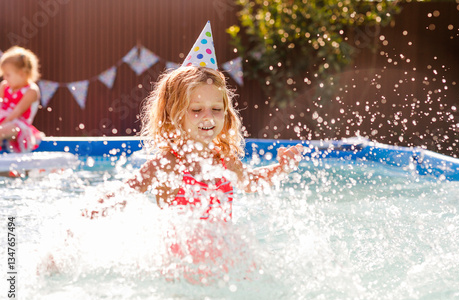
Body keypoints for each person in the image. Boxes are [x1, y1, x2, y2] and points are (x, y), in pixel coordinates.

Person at [81, 22, 304, 282]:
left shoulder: (225, 161)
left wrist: (280, 168)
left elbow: (252, 183)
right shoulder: (168, 163)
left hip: (225, 259)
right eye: (196, 110)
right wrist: (90, 213)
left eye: (216, 109)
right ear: (174, 114)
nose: (207, 117)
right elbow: (127, 192)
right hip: (181, 266)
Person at [0, 46, 45, 153]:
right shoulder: (4, 86)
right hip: (3, 121)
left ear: (21, 73)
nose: (4, 78)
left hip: (19, 126)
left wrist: (2, 124)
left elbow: (17, 112)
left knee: (7, 129)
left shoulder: (31, 91)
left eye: (8, 75)